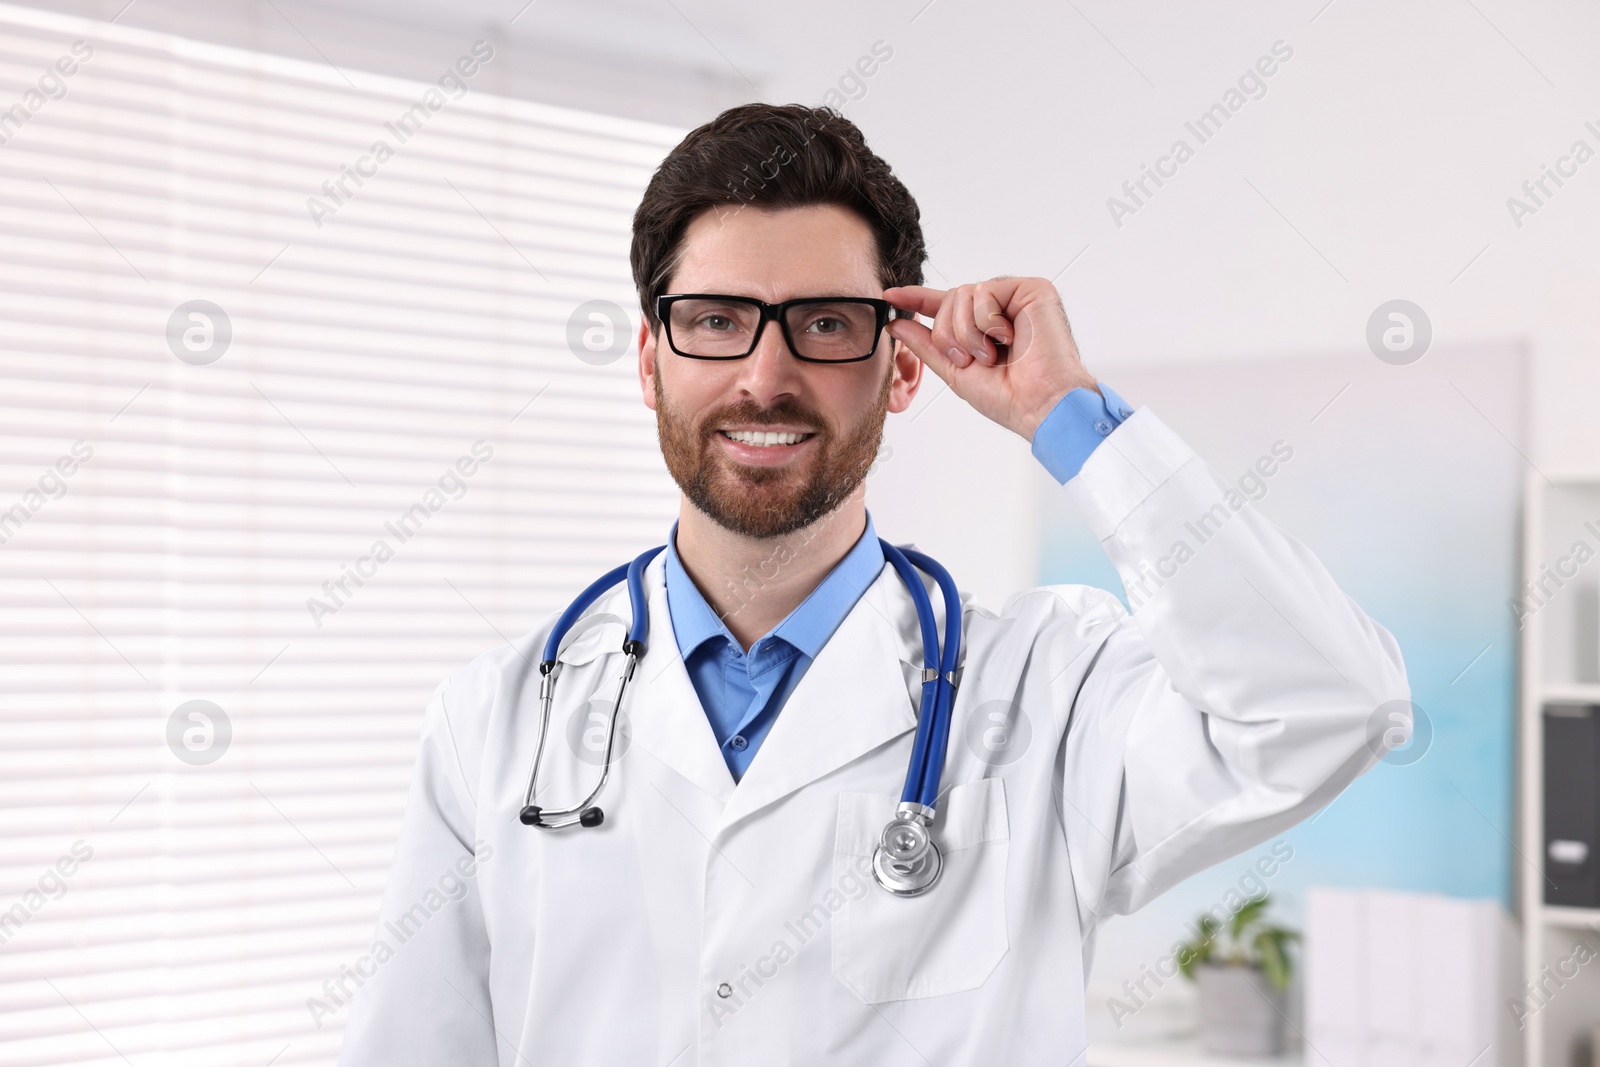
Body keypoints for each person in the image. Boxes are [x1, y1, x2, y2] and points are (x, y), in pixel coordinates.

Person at [336, 103, 1409, 1066]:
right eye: (714, 319)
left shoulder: (1047, 695)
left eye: (824, 323)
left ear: (902, 367)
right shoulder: (493, 719)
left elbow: (1331, 701)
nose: (764, 374)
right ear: (651, 359)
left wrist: (1070, 418)